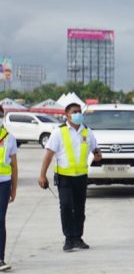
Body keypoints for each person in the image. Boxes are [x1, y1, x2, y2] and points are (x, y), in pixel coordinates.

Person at [38, 102, 101, 251]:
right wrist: (42, 175)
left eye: (80, 111)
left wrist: (97, 154)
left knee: (80, 209)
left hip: (81, 176)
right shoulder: (59, 132)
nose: (78, 114)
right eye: (75, 112)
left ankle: (78, 237)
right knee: (66, 206)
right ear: (67, 115)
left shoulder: (87, 132)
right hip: (64, 176)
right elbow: (49, 155)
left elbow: (95, 148)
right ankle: (68, 238)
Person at [0, 106, 18, 271]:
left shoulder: (9, 138)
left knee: (0, 220)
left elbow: (14, 165)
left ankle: (0, 259)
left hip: (3, 184)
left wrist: (14, 188)